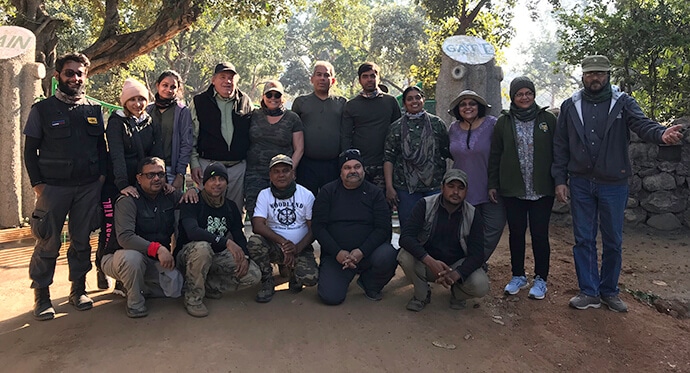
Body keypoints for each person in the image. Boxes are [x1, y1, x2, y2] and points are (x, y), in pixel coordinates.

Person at [552, 55, 684, 312]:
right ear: (583, 76)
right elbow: (560, 145)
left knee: (613, 240)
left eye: (600, 73)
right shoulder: (571, 106)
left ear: (608, 75)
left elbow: (643, 125)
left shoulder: (623, 102)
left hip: (614, 183)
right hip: (580, 181)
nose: (595, 78)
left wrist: (661, 134)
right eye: (591, 74)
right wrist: (560, 180)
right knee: (583, 239)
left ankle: (609, 291)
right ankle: (588, 291)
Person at [24, 52, 106, 321]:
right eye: (69, 73)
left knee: (82, 241)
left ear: (86, 76)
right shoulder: (42, 110)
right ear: (58, 75)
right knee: (47, 241)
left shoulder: (93, 110)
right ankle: (42, 296)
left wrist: (101, 178)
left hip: (87, 187)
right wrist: (38, 185)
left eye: (80, 73)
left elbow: (101, 149)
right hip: (54, 188)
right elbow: (29, 151)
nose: (75, 78)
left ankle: (78, 290)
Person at [488, 76, 556, 300]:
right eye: (519, 94)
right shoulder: (504, 122)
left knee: (539, 234)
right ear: (513, 97)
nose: (524, 97)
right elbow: (495, 155)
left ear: (534, 95)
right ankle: (518, 275)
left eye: (528, 93)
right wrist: (493, 184)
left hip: (541, 189)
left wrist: (560, 181)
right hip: (513, 188)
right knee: (516, 234)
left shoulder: (547, 119)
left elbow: (559, 151)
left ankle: (541, 279)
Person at [102, 157, 192, 318]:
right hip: (118, 256)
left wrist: (193, 191)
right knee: (132, 259)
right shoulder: (128, 200)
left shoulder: (170, 195)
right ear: (139, 178)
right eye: (150, 175)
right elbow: (125, 238)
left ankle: (134, 286)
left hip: (153, 260)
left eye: (160, 174)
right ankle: (135, 303)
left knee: (177, 287)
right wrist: (158, 249)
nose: (157, 178)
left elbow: (190, 201)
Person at [95, 78, 163, 291]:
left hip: (141, 182)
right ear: (124, 102)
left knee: (134, 229)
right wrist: (123, 184)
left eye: (141, 99)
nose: (137, 104)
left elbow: (155, 154)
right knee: (111, 230)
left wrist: (160, 180)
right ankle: (101, 266)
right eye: (132, 99)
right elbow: (116, 156)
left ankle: (123, 280)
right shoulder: (116, 122)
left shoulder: (149, 122)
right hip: (117, 184)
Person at [312, 149, 398, 305]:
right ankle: (344, 274)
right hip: (337, 256)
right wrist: (337, 252)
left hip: (367, 254)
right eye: (347, 167)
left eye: (357, 167)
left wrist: (361, 251)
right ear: (340, 172)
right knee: (330, 297)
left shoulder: (375, 193)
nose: (353, 171)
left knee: (388, 254)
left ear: (363, 170)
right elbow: (318, 228)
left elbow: (383, 229)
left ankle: (369, 283)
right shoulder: (327, 192)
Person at [176, 162, 261, 317]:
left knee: (253, 274)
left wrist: (245, 257)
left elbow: (239, 235)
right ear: (204, 182)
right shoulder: (192, 201)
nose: (217, 183)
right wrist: (226, 242)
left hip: (216, 256)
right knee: (203, 248)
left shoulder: (230, 207)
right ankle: (193, 298)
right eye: (212, 179)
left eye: (221, 179)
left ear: (227, 183)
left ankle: (207, 285)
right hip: (189, 256)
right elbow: (192, 232)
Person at [398, 169, 489, 312]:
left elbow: (477, 255)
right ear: (442, 188)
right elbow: (406, 238)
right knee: (404, 256)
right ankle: (421, 295)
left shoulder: (473, 214)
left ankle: (457, 295)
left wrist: (456, 274)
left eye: (460, 188)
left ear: (466, 191)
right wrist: (430, 261)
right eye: (451, 186)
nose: (455, 192)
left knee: (481, 285)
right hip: (427, 263)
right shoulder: (425, 205)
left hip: (456, 265)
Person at [247, 154, 318, 303]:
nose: (281, 175)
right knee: (254, 242)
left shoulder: (306, 195)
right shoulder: (264, 195)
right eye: (276, 171)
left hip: (300, 247)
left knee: (310, 279)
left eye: (285, 171)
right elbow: (257, 225)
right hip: (276, 246)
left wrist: (297, 248)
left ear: (293, 174)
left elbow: (314, 229)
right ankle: (267, 281)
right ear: (270, 175)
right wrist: (284, 243)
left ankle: (294, 273)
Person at [448, 90, 505, 263]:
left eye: (472, 103)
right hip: (462, 190)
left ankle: (473, 264)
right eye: (463, 104)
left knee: (493, 227)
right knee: (465, 232)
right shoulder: (453, 129)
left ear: (479, 107)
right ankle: (464, 264)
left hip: (491, 188)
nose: (467, 107)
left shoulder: (492, 124)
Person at [383, 86, 450, 229]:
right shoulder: (396, 128)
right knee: (410, 228)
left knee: (435, 227)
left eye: (418, 97)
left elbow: (446, 153)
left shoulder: (437, 124)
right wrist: (389, 187)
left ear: (423, 100)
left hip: (434, 186)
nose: (414, 101)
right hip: (406, 188)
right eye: (409, 98)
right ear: (404, 103)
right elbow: (389, 158)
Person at [189, 62, 253, 213]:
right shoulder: (199, 102)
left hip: (238, 168)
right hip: (208, 165)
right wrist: (193, 163)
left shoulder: (245, 101)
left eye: (231, 77)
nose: (227, 81)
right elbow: (191, 135)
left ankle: (235, 238)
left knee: (236, 213)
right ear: (213, 80)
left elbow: (252, 134)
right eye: (222, 77)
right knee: (208, 211)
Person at [244, 80, 304, 217]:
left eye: (276, 95)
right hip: (255, 173)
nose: (272, 98)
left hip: (282, 174)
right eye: (269, 95)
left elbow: (299, 148)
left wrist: (291, 170)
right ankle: (258, 239)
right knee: (255, 212)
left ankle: (281, 239)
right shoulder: (253, 116)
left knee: (280, 213)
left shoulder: (292, 118)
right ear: (263, 97)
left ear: (282, 98)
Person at [341, 62, 402, 188]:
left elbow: (399, 132)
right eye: (365, 76)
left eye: (372, 76)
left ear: (378, 78)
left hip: (386, 164)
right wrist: (349, 162)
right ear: (359, 80)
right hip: (360, 166)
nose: (369, 79)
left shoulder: (390, 102)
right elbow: (345, 136)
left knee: (384, 204)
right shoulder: (351, 105)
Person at [292, 61, 347, 197]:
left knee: (332, 202)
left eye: (326, 75)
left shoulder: (342, 103)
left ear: (333, 80)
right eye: (318, 75)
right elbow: (292, 132)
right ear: (312, 79)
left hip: (333, 164)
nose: (322, 78)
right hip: (306, 164)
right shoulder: (301, 103)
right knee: (306, 203)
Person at [146, 70, 193, 189]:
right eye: (165, 85)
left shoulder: (182, 112)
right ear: (158, 85)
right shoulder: (148, 110)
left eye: (173, 87)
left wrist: (180, 174)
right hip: (149, 169)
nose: (168, 90)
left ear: (178, 89)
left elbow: (186, 144)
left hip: (172, 170)